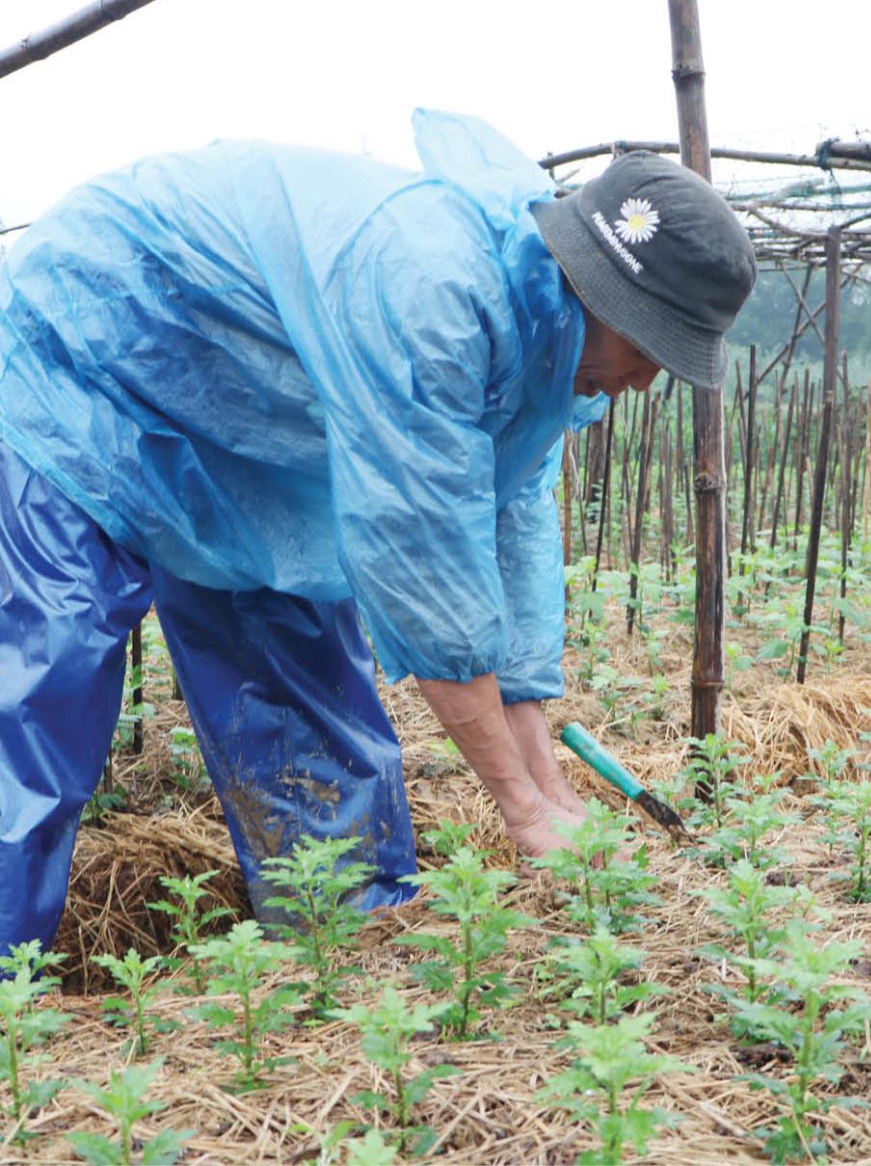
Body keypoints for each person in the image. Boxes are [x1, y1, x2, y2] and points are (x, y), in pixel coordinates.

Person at [0, 110, 757, 953]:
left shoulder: (546, 339)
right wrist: (523, 814)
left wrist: (549, 785)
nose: (651, 379)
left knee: (295, 678)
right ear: (598, 293)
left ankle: (343, 946)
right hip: (91, 342)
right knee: (39, 685)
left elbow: (513, 531)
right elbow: (423, 561)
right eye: (652, 346)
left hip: (247, 428)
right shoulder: (434, 291)